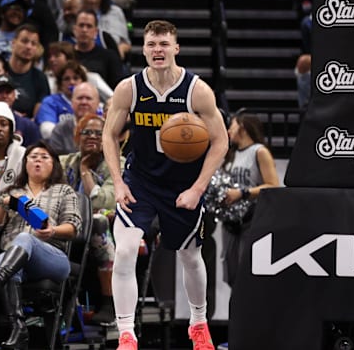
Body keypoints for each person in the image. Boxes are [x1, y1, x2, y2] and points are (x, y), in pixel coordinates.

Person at [101, 20, 228, 350]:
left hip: (182, 185)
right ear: (143, 49)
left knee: (190, 256)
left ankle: (199, 323)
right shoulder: (129, 88)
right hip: (140, 181)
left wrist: (198, 188)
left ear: (176, 48)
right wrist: (117, 182)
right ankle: (126, 334)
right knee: (126, 250)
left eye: (164, 44)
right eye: (152, 44)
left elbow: (221, 141)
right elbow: (109, 136)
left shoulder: (196, 90)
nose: (158, 50)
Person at [0, 141, 81, 350]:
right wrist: (3, 205)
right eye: (33, 157)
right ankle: (18, 327)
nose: (38, 161)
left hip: (51, 257)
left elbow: (73, 227)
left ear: (54, 164)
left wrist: (53, 230)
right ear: (25, 164)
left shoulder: (64, 191)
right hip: (16, 258)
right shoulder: (12, 192)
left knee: (24, 239)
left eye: (44, 157)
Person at [59, 113, 121, 324]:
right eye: (87, 132)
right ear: (77, 137)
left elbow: (104, 201)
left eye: (99, 133)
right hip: (67, 224)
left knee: (99, 222)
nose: (93, 136)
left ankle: (109, 303)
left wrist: (85, 171)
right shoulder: (64, 162)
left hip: (108, 228)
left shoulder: (116, 164)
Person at [221, 113, 279, 286]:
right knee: (232, 273)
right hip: (231, 222)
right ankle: (237, 312)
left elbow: (273, 186)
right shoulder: (230, 154)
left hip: (252, 218)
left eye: (232, 126)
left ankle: (249, 312)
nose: (229, 130)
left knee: (247, 271)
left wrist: (243, 193)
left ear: (243, 128)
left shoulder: (259, 151)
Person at [36, 60, 86, 138]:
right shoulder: (50, 102)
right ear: (60, 84)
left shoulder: (91, 102)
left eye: (76, 78)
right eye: (67, 79)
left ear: (83, 82)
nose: (72, 82)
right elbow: (46, 131)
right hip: (59, 146)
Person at [48, 81, 100, 154]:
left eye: (88, 98)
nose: (84, 102)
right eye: (80, 98)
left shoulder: (106, 129)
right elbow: (56, 161)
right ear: (71, 103)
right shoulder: (60, 129)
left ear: (98, 103)